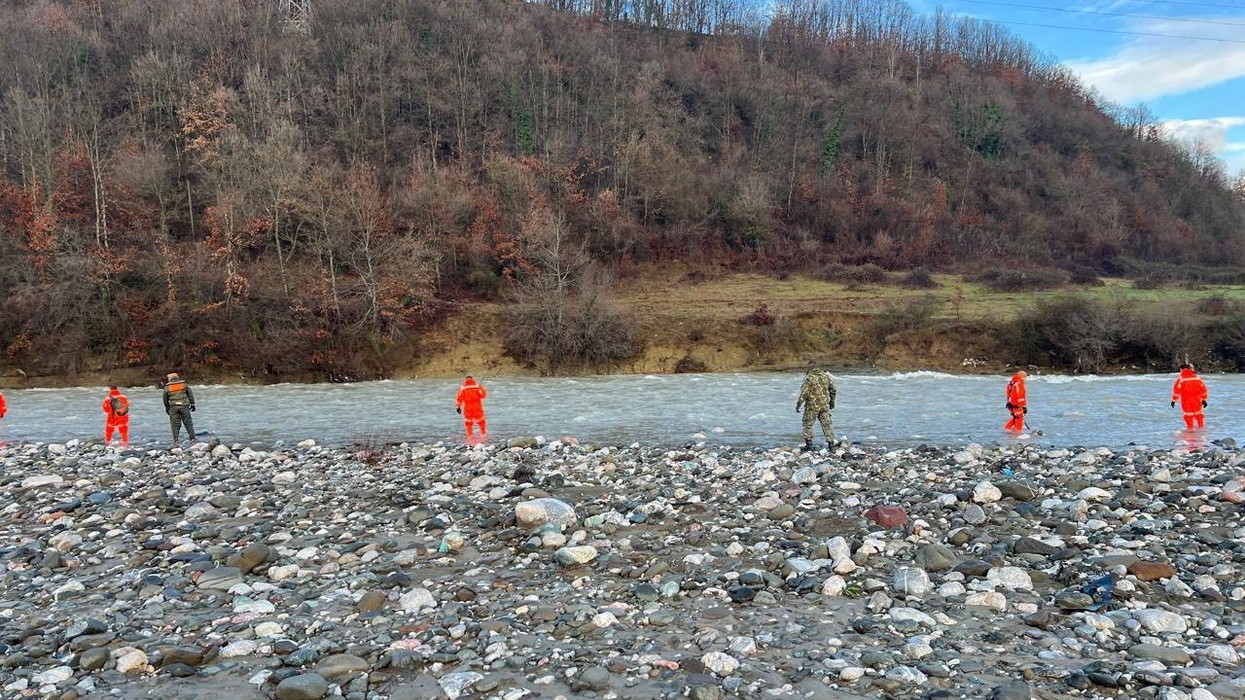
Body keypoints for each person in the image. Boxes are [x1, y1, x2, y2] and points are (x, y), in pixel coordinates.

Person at [796, 367, 837, 451]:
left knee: (808, 424)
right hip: (824, 405)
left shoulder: (809, 378)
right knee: (827, 425)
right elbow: (833, 390)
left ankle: (809, 445)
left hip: (812, 406)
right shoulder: (826, 377)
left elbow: (804, 392)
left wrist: (799, 404)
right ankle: (831, 445)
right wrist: (832, 402)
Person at [1171, 363, 1208, 430]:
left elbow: (1176, 391)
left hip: (1186, 400)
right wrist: (1204, 399)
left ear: (1181, 369)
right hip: (1197, 399)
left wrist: (1174, 400)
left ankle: (1190, 431)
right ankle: (1201, 430)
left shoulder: (1181, 379)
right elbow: (1203, 389)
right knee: (1199, 415)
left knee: (1188, 416)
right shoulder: (1197, 377)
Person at [163, 372, 196, 443]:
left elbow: (165, 399)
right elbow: (190, 394)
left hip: (173, 408)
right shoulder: (184, 385)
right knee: (188, 423)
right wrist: (192, 404)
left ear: (170, 379)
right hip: (184, 406)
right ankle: (193, 439)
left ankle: (176, 441)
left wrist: (167, 407)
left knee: (175, 425)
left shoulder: (167, 387)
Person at [455, 376, 488, 441]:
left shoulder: (463, 388)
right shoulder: (477, 386)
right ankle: (483, 434)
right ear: (473, 380)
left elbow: (459, 399)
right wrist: (481, 388)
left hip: (468, 407)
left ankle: (470, 436)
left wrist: (458, 407)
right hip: (477, 406)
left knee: (468, 422)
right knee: (481, 421)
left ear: (465, 380)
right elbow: (483, 396)